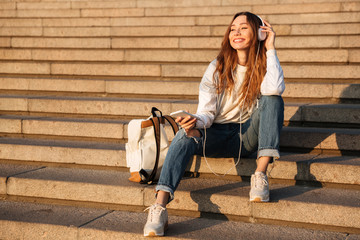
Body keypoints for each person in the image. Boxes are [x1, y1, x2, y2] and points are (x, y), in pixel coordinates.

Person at [143, 11, 285, 237]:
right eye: (232, 29)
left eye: (244, 28)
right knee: (184, 134)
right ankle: (159, 208)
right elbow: (207, 113)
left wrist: (270, 47)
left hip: (247, 135)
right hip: (215, 134)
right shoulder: (217, 67)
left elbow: (275, 90)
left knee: (273, 99)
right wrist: (194, 122)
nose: (236, 32)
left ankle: (259, 175)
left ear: (259, 33)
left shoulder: (266, 64)